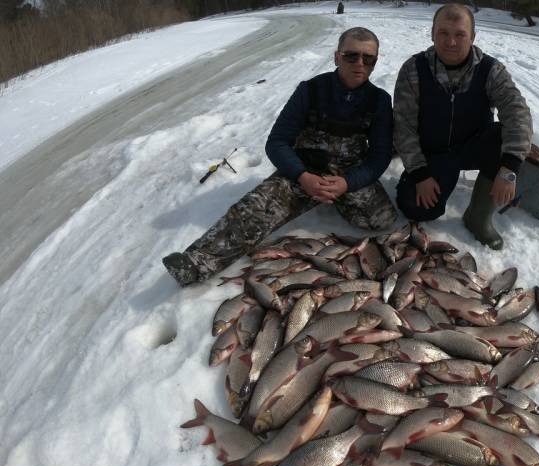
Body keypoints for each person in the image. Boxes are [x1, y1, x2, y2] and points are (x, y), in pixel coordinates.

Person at [162, 27, 396, 286]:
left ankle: (330, 198)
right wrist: (302, 176)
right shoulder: (311, 91)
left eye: (369, 58)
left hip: (347, 175)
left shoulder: (380, 101)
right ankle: (195, 264)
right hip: (304, 171)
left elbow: (379, 157)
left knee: (381, 220)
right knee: (254, 210)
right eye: (351, 56)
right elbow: (277, 142)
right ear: (337, 57)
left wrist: (346, 184)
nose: (360, 64)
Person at [392, 3, 532, 251]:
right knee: (415, 208)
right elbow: (403, 127)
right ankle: (434, 179)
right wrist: (419, 174)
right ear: (432, 34)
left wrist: (509, 169)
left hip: (473, 147)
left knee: (502, 136)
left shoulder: (491, 70)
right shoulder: (413, 69)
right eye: (443, 33)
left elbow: (517, 114)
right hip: (432, 154)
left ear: (473, 37)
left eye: (459, 34)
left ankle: (478, 217)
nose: (451, 42)